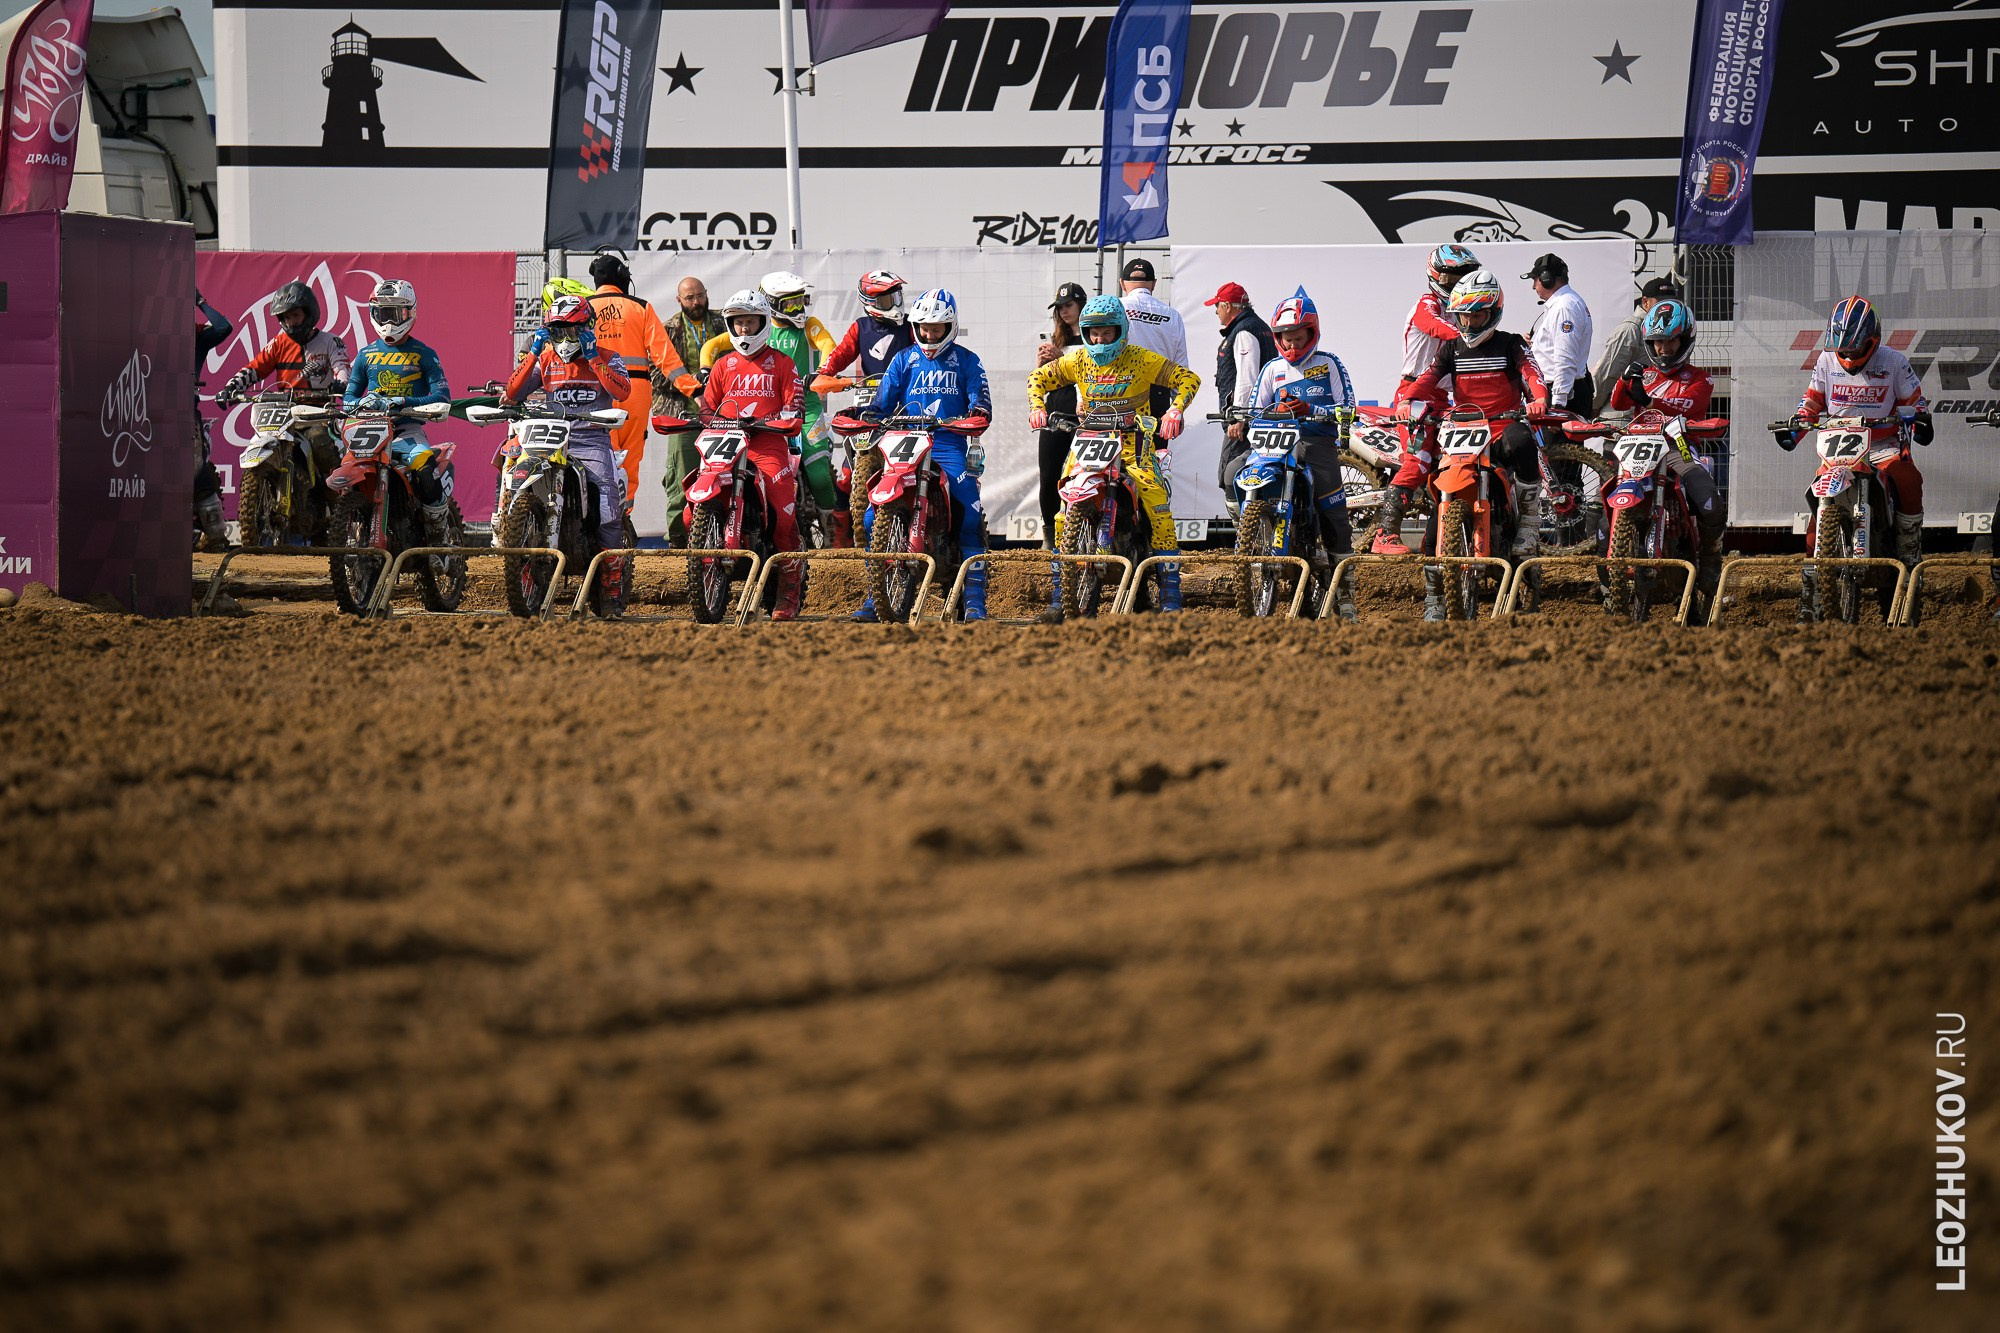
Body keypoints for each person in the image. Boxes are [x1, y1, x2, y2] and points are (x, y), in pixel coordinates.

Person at [1027, 295, 1200, 612]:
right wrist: (1038, 407)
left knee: (1156, 503)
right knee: (1064, 510)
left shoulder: (1140, 359)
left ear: (1121, 330)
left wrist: (1175, 411)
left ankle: (1171, 596)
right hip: (1090, 442)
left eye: (1107, 333)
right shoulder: (1078, 360)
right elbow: (1038, 378)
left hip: (1135, 445)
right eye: (1093, 333)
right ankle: (1058, 596)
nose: (1099, 339)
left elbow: (1187, 378)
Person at [1396, 270, 1549, 616]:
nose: (1469, 321)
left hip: (1501, 429)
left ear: (1493, 312)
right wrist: (1408, 400)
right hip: (1465, 431)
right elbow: (1428, 377)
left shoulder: (1511, 344)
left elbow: (1532, 374)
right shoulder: (1452, 348)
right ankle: (1435, 599)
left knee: (1523, 439)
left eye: (1476, 314)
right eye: (1464, 315)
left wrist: (1538, 399)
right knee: (1439, 502)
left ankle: (1528, 521)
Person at [854, 289, 993, 621]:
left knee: (969, 516)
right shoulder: (903, 359)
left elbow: (982, 404)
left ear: (951, 327)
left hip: (948, 442)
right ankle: (878, 599)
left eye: (937, 329)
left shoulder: (968, 360)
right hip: (906, 441)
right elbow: (881, 404)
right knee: (872, 517)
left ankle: (975, 602)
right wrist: (868, 416)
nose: (930, 335)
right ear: (914, 326)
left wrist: (976, 415)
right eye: (924, 328)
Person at [501, 293, 634, 610]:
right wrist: (533, 352)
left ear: (588, 327)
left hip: (591, 438)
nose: (565, 338)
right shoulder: (546, 360)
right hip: (547, 437)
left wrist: (594, 359)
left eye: (572, 330)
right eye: (558, 331)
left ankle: (611, 582)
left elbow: (622, 391)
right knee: (514, 477)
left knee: (607, 499)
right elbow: (513, 391)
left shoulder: (608, 356)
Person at [1788, 294, 1932, 565]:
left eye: (1855, 348)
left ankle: (1909, 553)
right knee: (1813, 526)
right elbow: (1811, 401)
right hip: (1837, 452)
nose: (1849, 354)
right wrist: (1795, 428)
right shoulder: (1826, 360)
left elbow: (1915, 401)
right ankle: (1814, 582)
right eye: (1843, 349)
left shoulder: (1893, 361)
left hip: (1883, 447)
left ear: (1871, 339)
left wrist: (1921, 419)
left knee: (1909, 480)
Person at [1605, 299, 1727, 610]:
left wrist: (1648, 401)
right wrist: (1624, 379)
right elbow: (1618, 404)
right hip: (1637, 446)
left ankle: (1711, 555)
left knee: (1708, 498)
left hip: (1678, 445)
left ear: (1685, 339)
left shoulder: (1700, 378)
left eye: (1670, 340)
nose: (1664, 349)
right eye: (1658, 342)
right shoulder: (1644, 374)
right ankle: (1609, 571)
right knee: (1601, 501)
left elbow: (1692, 407)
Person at [701, 272, 838, 539]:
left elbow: (828, 344)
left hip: (803, 404)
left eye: (800, 302)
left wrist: (824, 369)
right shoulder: (746, 333)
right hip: (744, 425)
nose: (798, 309)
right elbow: (712, 345)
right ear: (770, 303)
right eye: (790, 304)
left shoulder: (808, 325)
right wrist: (706, 368)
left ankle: (831, 522)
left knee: (818, 468)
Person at [700, 289, 808, 620]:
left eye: (750, 322)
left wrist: (784, 418)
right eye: (739, 323)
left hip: (768, 443)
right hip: (726, 443)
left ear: (763, 322)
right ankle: (706, 565)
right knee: (698, 504)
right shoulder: (723, 364)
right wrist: (709, 419)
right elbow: (706, 407)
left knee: (783, 516)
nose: (745, 330)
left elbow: (796, 408)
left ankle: (789, 589)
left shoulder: (782, 362)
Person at [1371, 245, 1481, 549]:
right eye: (1452, 276)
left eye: (1464, 276)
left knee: (1450, 464)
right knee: (1418, 462)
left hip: (1444, 397)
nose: (1457, 283)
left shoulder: (1461, 312)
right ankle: (1384, 535)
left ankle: (1436, 540)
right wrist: (1475, 334)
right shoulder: (1427, 303)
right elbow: (1436, 327)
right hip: (1414, 394)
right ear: (1436, 275)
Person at [1240, 287, 1356, 567]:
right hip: (1275, 444)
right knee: (1234, 472)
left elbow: (1350, 410)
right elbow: (1254, 411)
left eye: (1298, 339)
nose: (1292, 346)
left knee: (1333, 509)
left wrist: (1311, 409)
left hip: (1316, 442)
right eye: (1287, 340)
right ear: (1278, 338)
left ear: (1311, 334)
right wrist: (1273, 412)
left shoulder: (1329, 363)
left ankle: (1345, 585)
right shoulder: (1271, 369)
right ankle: (1250, 531)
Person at [341, 279, 454, 543]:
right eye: (384, 313)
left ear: (410, 312)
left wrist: (403, 401)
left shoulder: (424, 353)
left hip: (407, 429)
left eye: (397, 312)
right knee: (343, 472)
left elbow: (442, 396)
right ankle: (348, 530)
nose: (390, 320)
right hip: (368, 430)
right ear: (373, 313)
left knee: (426, 468)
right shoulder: (365, 354)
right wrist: (362, 403)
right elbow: (348, 398)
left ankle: (439, 536)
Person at [585, 252, 700, 507]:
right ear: (623, 276)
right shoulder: (640, 307)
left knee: (599, 455)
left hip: (595, 392)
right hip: (635, 393)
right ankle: (623, 519)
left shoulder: (582, 307)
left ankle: (597, 520)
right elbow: (666, 358)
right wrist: (693, 390)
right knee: (629, 457)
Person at [820, 270, 917, 546]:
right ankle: (841, 542)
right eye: (886, 299)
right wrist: (825, 372)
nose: (894, 304)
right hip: (869, 401)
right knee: (847, 475)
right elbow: (840, 354)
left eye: (896, 296)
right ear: (870, 302)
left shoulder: (910, 327)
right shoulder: (861, 327)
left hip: (903, 402)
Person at [221, 279, 352, 478]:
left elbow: (341, 367)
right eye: (286, 317)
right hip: (281, 413)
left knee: (320, 443)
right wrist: (231, 387)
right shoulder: (278, 343)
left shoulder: (331, 341)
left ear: (309, 313)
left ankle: (337, 497)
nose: (290, 322)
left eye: (295, 315)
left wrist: (341, 383)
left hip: (318, 413)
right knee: (263, 443)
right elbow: (254, 369)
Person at [660, 277, 726, 546]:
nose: (697, 302)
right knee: (680, 480)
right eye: (690, 298)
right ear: (679, 300)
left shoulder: (726, 322)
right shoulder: (668, 329)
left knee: (728, 476)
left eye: (700, 295)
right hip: (683, 418)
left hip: (725, 416)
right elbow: (657, 375)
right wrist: (693, 383)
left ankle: (725, 537)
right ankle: (677, 540)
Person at [1119, 257, 1190, 490]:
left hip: (1116, 391)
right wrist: (1177, 408)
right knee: (1155, 464)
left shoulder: (1115, 307)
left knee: (1114, 463)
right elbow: (1180, 368)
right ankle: (1154, 517)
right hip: (1157, 396)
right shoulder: (1172, 315)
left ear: (1122, 283)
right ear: (1153, 284)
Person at [1206, 281, 1278, 498]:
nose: (1216, 312)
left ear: (1228, 306)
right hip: (1261, 416)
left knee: (1230, 475)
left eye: (1217, 306)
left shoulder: (1243, 331)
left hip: (1246, 420)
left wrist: (1240, 417)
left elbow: (1248, 378)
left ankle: (1244, 529)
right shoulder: (1259, 326)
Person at [1033, 282, 1087, 547]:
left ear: (1081, 305)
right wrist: (1043, 364)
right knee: (1049, 474)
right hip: (1056, 413)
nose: (1064, 312)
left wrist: (1060, 360)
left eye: (1069, 305)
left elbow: (1090, 375)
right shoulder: (1057, 340)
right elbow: (1041, 382)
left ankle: (1081, 531)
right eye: (1060, 308)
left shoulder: (1094, 338)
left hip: (1086, 417)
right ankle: (1049, 533)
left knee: (1084, 474)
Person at [1592, 276, 1680, 415]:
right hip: (1624, 416)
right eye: (1661, 303)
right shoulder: (1631, 329)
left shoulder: (1676, 329)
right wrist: (1594, 405)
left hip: (1656, 412)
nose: (1666, 308)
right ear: (1645, 302)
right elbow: (1607, 373)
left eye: (1671, 302)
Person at [193, 291, 233, 548]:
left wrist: (201, 303)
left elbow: (223, 327)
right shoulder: (150, 334)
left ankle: (216, 538)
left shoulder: (195, 336)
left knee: (197, 471)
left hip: (185, 412)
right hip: (145, 412)